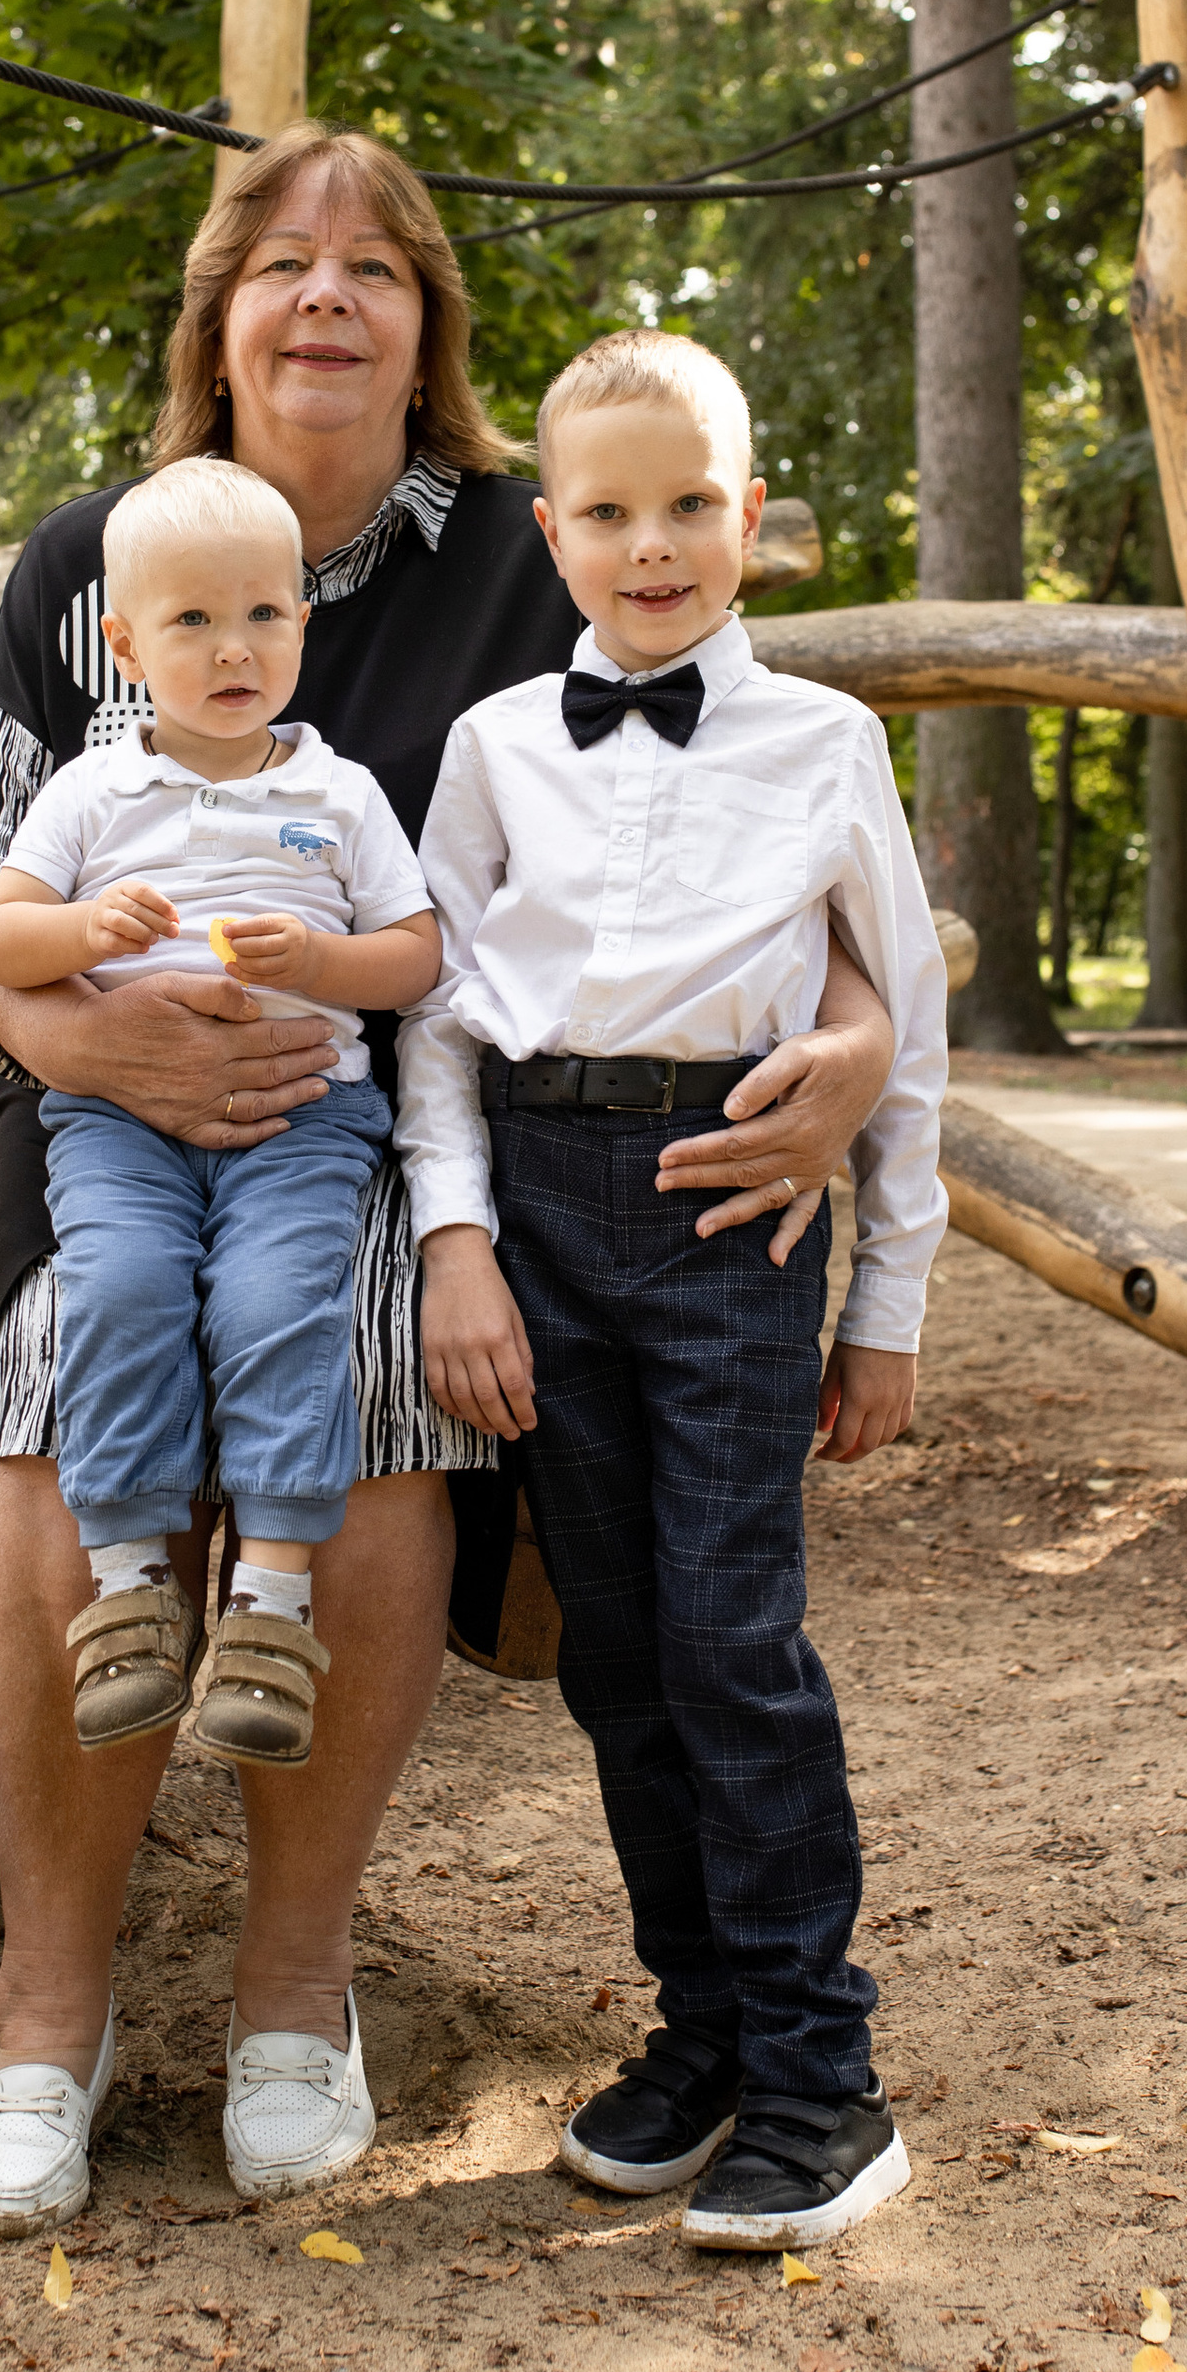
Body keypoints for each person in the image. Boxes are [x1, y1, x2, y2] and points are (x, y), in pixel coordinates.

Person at [0, 123, 904, 2239]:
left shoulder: (506, 559)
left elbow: (706, 820)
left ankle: (294, 1995)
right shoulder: (91, 551)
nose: (324, 291)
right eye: (279, 258)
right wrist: (59, 1033)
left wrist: (862, 1021)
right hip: (89, 1095)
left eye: (374, 261)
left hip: (382, 1116)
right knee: (50, 1409)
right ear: (219, 314)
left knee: (366, 1404)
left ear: (427, 323)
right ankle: (44, 2014)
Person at [399, 325, 949, 2254]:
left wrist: (884, 1306)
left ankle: (825, 2078)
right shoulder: (489, 754)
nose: (653, 546)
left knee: (735, 1643)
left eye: (691, 505)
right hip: (540, 1220)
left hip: (737, 1210)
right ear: (550, 533)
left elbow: (909, 1028)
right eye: (611, 512)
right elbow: (441, 1023)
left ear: (751, 518)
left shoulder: (824, 746)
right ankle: (702, 2030)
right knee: (618, 1655)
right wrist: (456, 1237)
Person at [0, 455, 442, 1772]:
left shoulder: (337, 796)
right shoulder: (91, 792)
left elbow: (413, 952)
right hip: (118, 1122)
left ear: (303, 620)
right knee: (120, 1291)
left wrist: (318, 965)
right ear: (123, 644)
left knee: (275, 1302)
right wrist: (77, 927)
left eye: (265, 615)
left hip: (304, 1117)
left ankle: (272, 1610)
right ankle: (128, 1596)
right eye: (191, 622)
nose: (234, 649)